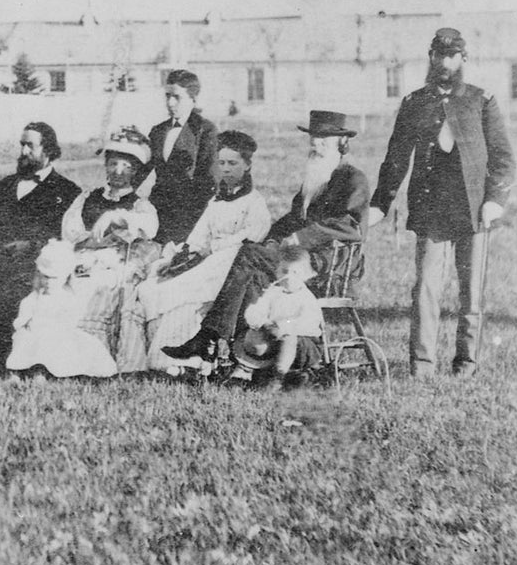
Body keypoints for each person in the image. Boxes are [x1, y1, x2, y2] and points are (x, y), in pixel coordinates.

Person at [163, 111, 370, 368]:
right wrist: (273, 238)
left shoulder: (352, 179)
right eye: (313, 138)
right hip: (301, 260)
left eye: (324, 139)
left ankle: (210, 337)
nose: (316, 145)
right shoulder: (315, 178)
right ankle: (250, 359)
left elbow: (349, 226)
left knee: (249, 255)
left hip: (331, 266)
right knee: (252, 275)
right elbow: (294, 217)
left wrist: (299, 237)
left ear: (342, 143)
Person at [368, 28, 515, 380]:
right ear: (431, 57)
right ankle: (422, 365)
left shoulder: (482, 100)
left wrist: (495, 200)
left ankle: (466, 363)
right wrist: (380, 204)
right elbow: (396, 159)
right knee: (426, 289)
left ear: (463, 59)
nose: (445, 62)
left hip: (473, 208)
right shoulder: (414, 103)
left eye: (452, 56)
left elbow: (504, 159)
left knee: (472, 291)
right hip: (431, 208)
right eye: (438, 55)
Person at [128, 130, 272, 375]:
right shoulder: (216, 201)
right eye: (222, 163)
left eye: (233, 163)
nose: (225, 169)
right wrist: (184, 254)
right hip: (207, 262)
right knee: (153, 286)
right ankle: (157, 358)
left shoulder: (254, 202)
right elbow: (198, 236)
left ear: (247, 165)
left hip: (230, 264)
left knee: (180, 292)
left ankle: (192, 361)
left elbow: (254, 235)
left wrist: (213, 248)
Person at [0, 121, 81, 367]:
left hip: (33, 263)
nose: (24, 152)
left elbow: (62, 238)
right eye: (22, 145)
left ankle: (6, 353)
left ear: (48, 150)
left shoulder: (67, 191)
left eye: (31, 146)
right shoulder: (5, 185)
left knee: (13, 286)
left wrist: (29, 245)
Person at [60, 127, 160, 368]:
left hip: (117, 262)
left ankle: (98, 360)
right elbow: (70, 231)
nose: (118, 171)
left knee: (102, 290)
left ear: (135, 171)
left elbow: (148, 227)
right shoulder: (87, 198)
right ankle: (62, 358)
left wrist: (117, 218)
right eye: (113, 163)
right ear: (106, 165)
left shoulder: (139, 204)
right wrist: (93, 240)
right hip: (84, 257)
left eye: (126, 166)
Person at [5, 240, 117, 379]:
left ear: (65, 277)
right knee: (23, 338)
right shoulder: (34, 297)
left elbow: (70, 319)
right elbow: (23, 316)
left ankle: (43, 372)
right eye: (45, 277)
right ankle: (16, 373)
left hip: (56, 334)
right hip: (33, 333)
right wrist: (26, 323)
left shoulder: (67, 298)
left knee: (58, 342)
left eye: (54, 278)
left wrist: (54, 326)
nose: (49, 282)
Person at [227, 244, 325, 390]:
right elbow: (255, 311)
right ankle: (246, 370)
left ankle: (278, 376)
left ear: (306, 276)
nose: (289, 277)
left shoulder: (306, 298)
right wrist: (263, 322)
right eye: (284, 271)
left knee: (289, 339)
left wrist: (284, 326)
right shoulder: (273, 292)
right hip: (272, 336)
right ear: (277, 272)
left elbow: (308, 324)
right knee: (252, 335)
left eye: (296, 273)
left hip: (302, 343)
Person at [146, 69, 219, 244]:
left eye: (177, 97)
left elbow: (210, 181)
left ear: (192, 99)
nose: (170, 103)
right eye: (167, 96)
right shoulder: (158, 131)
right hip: (158, 213)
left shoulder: (205, 130)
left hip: (190, 217)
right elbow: (142, 173)